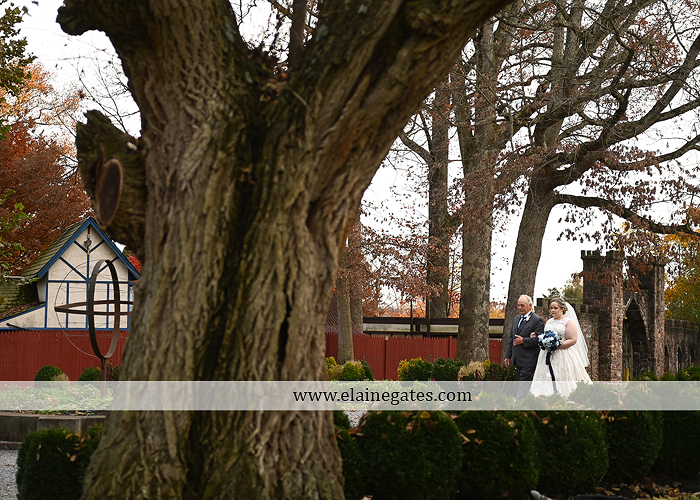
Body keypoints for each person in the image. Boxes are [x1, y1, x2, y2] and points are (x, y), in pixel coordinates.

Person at [530, 298, 591, 397]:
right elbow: (545, 335)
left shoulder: (568, 322)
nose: (552, 310)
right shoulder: (549, 321)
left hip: (563, 354)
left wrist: (557, 345)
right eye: (551, 308)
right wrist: (540, 338)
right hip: (546, 354)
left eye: (555, 308)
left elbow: (572, 339)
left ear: (562, 309)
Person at [504, 295, 545, 393]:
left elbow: (540, 339)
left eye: (522, 305)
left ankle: (520, 402)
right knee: (522, 385)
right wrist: (508, 356)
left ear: (530, 305)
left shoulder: (537, 320)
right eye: (518, 305)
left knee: (523, 386)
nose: (519, 308)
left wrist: (524, 340)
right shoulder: (516, 319)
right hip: (517, 359)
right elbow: (511, 338)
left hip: (529, 360)